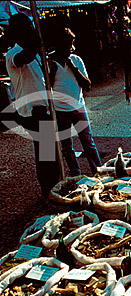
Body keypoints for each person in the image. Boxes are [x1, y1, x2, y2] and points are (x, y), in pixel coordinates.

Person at [5, 14, 60, 197]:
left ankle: (53, 186)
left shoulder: (35, 53)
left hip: (43, 108)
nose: (30, 30)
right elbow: (24, 58)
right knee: (45, 154)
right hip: (31, 111)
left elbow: (44, 79)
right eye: (27, 27)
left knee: (49, 152)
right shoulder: (13, 54)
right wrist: (38, 40)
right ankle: (48, 190)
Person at [49, 28, 101, 176]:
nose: (71, 48)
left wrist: (72, 66)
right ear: (60, 45)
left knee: (88, 144)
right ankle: (76, 173)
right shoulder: (50, 63)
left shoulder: (76, 60)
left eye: (72, 45)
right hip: (60, 110)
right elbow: (47, 86)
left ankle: (98, 172)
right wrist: (52, 70)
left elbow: (87, 85)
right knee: (67, 147)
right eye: (69, 45)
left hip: (78, 108)